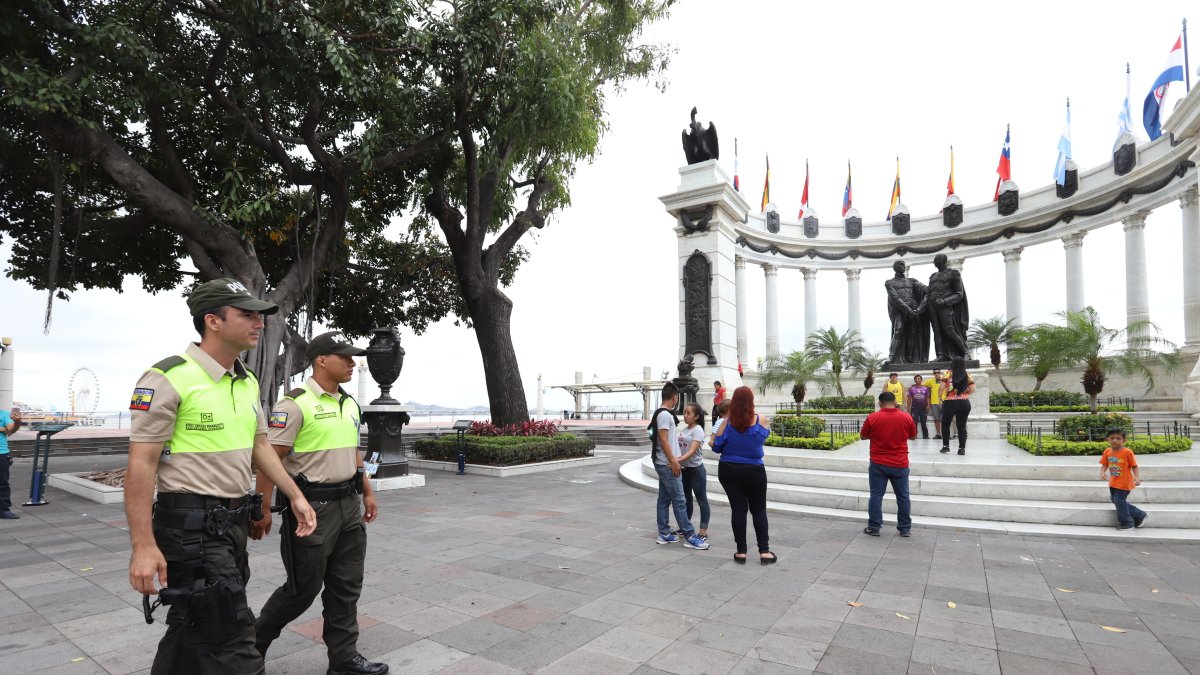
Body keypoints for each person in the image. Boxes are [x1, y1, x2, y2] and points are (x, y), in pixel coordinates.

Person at [125, 278, 317, 675]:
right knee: (232, 636)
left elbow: (260, 444)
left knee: (191, 623)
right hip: (190, 529)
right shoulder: (167, 377)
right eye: (247, 315)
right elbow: (141, 465)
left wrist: (293, 494)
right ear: (212, 321)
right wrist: (143, 546)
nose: (259, 323)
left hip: (231, 526)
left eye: (259, 316)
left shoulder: (244, 380)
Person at [251, 332, 387, 675]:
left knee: (346, 586)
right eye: (345, 357)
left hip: (348, 508)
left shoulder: (350, 403)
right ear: (321, 359)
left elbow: (354, 454)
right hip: (312, 512)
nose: (353, 364)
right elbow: (269, 459)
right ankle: (252, 647)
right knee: (302, 589)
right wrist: (262, 508)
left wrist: (367, 491)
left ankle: (343, 660)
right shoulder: (295, 404)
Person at [712, 386, 777, 565]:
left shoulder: (727, 423)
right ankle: (764, 551)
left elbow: (716, 447)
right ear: (751, 401)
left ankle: (741, 552)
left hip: (729, 469)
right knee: (758, 510)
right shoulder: (760, 420)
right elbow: (760, 440)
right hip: (754, 470)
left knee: (738, 509)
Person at [651, 383, 708, 550]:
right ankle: (690, 535)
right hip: (667, 463)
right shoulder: (665, 415)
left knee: (664, 499)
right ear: (675, 397)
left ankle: (664, 532)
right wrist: (674, 461)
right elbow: (663, 439)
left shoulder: (662, 414)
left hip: (664, 461)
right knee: (680, 500)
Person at [860, 391, 916, 537]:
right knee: (903, 497)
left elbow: (863, 436)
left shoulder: (872, 417)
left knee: (876, 496)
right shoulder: (906, 417)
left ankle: (874, 527)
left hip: (878, 463)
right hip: (900, 463)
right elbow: (913, 436)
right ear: (895, 402)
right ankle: (904, 528)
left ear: (879, 403)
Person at [1100, 429, 1147, 530]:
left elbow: (1134, 466)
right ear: (1107, 439)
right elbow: (1105, 463)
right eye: (1112, 438)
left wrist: (1137, 477)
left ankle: (1127, 523)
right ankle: (1139, 514)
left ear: (1124, 440)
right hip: (1113, 482)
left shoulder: (1127, 452)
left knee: (1119, 500)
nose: (1115, 440)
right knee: (1115, 500)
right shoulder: (1107, 451)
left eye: (1118, 438)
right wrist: (1102, 472)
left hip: (1124, 482)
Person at [677, 402, 710, 542]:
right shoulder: (684, 430)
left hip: (696, 470)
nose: (685, 415)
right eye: (684, 413)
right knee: (686, 500)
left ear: (696, 416)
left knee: (702, 500)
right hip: (684, 470)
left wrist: (676, 461)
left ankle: (703, 531)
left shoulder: (698, 430)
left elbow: (691, 451)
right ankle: (685, 526)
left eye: (688, 413)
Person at [940, 356, 975, 455]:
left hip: (949, 402)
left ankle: (946, 446)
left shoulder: (947, 374)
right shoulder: (967, 375)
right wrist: (965, 393)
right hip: (964, 403)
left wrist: (940, 396)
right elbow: (973, 389)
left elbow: (941, 387)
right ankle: (961, 449)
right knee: (961, 426)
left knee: (946, 424)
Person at [0, 405, 22, 519]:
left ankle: (4, 510)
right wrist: (2, 429)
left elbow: (11, 429)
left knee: (3, 483)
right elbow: (7, 430)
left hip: (1, 453)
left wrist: (17, 422)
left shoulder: (3, 414)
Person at [906, 375, 930, 440]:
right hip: (914, 408)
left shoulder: (925, 388)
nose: (917, 380)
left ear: (921, 380)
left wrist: (928, 405)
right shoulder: (911, 388)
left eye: (919, 379)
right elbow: (909, 399)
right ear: (914, 380)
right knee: (914, 423)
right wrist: (908, 408)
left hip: (923, 408)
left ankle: (926, 436)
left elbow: (927, 397)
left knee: (923, 422)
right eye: (916, 379)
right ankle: (914, 436)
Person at [929, 368, 944, 440]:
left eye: (938, 372)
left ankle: (946, 434)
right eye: (935, 373)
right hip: (934, 403)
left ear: (940, 373)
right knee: (936, 419)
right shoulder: (931, 381)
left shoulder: (944, 380)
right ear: (933, 374)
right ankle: (938, 434)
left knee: (945, 419)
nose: (937, 374)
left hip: (943, 402)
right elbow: (922, 385)